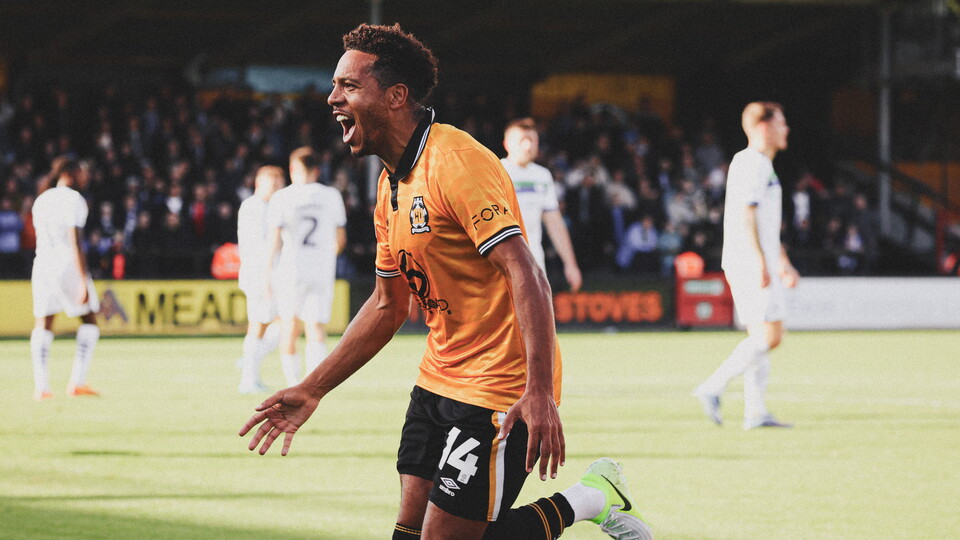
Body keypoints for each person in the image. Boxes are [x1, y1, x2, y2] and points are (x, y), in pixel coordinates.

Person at [240, 24, 652, 540]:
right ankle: (591, 496)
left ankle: (590, 498)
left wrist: (540, 390)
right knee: (409, 534)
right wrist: (311, 388)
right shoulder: (391, 184)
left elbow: (528, 274)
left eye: (348, 85)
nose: (332, 98)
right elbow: (388, 306)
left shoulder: (456, 162)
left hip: (500, 386)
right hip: (438, 379)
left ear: (395, 97)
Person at [692, 102, 800, 430]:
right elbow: (747, 215)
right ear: (763, 126)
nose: (786, 129)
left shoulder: (760, 163)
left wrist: (781, 260)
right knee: (772, 334)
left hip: (755, 258)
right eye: (781, 122)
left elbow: (765, 222)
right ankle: (712, 387)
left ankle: (755, 411)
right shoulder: (751, 162)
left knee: (759, 334)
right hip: (749, 260)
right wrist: (760, 261)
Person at [265, 146, 347, 386]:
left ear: (292, 170)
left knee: (290, 325)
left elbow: (275, 240)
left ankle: (292, 383)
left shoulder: (282, 197)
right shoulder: (331, 195)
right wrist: (324, 255)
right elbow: (340, 241)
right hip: (321, 270)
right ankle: (313, 384)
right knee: (316, 327)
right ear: (317, 171)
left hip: (291, 270)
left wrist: (267, 272)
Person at [29, 157, 101, 401]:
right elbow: (75, 241)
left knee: (44, 324)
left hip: (42, 265)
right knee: (89, 319)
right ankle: (77, 382)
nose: (85, 177)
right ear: (69, 173)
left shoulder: (42, 199)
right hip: (66, 265)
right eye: (82, 172)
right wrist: (82, 280)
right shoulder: (74, 199)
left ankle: (42, 387)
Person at [501, 118, 582, 292]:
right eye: (522, 140)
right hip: (501, 268)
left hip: (535, 264)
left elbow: (554, 223)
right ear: (506, 143)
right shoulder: (496, 172)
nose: (528, 146)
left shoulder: (542, 176)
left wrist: (570, 264)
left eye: (532, 140)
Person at [236, 165, 285, 394]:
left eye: (278, 184)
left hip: (270, 273)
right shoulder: (253, 207)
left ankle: (250, 361)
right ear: (258, 184)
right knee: (259, 325)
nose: (276, 188)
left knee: (282, 324)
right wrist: (266, 277)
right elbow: (258, 247)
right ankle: (248, 378)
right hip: (259, 274)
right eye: (271, 184)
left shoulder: (270, 206)